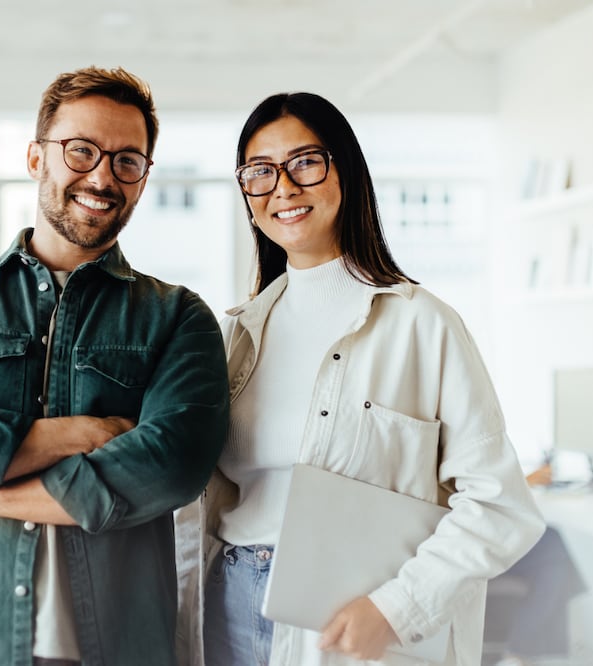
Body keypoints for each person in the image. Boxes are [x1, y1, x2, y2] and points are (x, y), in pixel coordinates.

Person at [0, 66, 229, 666]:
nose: (102, 176)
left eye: (127, 161)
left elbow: (173, 465)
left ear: (143, 180)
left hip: (118, 646)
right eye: (81, 151)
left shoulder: (177, 317)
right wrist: (77, 436)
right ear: (37, 158)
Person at [174, 92, 546, 666]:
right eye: (260, 173)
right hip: (227, 601)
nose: (284, 188)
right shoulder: (234, 335)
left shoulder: (425, 325)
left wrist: (399, 609)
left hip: (350, 618)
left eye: (305, 162)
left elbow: (500, 506)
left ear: (345, 170)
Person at [485, 465, 586, 666]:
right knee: (554, 551)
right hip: (471, 540)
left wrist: (521, 483)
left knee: (552, 545)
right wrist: (522, 484)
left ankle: (523, 652)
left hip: (483, 529)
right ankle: (521, 652)